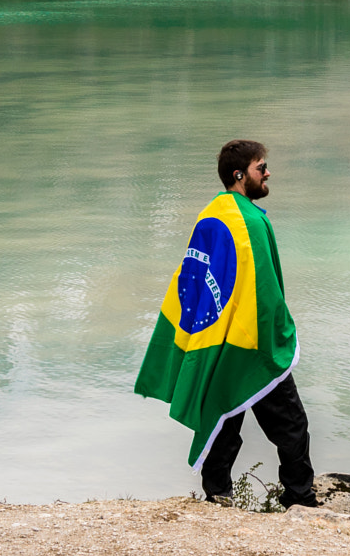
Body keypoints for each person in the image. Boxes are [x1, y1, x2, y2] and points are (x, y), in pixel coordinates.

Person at [134, 139, 318, 508]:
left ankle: (218, 494)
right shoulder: (250, 221)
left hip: (217, 341)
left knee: (223, 420)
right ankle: (300, 498)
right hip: (251, 346)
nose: (268, 174)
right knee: (292, 426)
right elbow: (266, 295)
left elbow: (192, 279)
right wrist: (277, 341)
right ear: (240, 175)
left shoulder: (210, 215)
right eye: (260, 168)